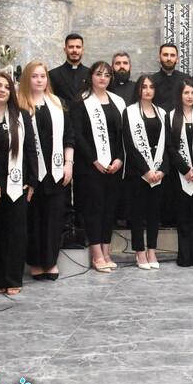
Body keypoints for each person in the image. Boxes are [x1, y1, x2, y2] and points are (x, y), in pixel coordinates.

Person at [18, 61, 74, 282]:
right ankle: (35, 262)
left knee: (53, 218)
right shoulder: (20, 105)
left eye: (42, 76)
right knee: (33, 219)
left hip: (55, 171)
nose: (39, 80)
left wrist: (68, 163)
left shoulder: (58, 103)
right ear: (27, 79)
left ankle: (50, 261)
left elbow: (69, 135)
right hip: (30, 173)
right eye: (34, 76)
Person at [0, 72, 38, 296]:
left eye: (7, 87)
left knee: (15, 233)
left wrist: (32, 181)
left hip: (17, 184)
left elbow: (31, 149)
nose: (2, 90)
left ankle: (13, 278)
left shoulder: (21, 116)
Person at [69, 61, 126, 273]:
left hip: (114, 165)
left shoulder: (118, 101)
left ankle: (107, 251)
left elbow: (123, 135)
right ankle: (97, 254)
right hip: (90, 166)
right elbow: (77, 134)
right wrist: (94, 159)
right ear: (91, 76)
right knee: (94, 209)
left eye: (107, 75)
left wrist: (119, 158)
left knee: (109, 210)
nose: (103, 78)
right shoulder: (81, 101)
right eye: (99, 74)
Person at [122, 75, 169, 270]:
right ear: (138, 90)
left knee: (154, 214)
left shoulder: (162, 113)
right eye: (144, 87)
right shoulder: (130, 112)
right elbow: (130, 145)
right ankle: (139, 251)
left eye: (151, 87)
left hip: (158, 172)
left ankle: (152, 250)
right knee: (138, 213)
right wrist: (146, 170)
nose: (148, 90)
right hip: (138, 172)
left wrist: (162, 170)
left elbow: (168, 145)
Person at [166, 79, 193, 267]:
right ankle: (184, 256)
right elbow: (170, 147)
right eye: (186, 93)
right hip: (180, 175)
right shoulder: (170, 117)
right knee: (183, 216)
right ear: (180, 95)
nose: (190, 96)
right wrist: (185, 169)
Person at [49, 33, 89, 102]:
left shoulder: (90, 74)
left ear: (82, 50)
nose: (74, 50)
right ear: (65, 50)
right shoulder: (53, 74)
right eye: (71, 47)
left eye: (78, 47)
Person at [152, 43, 190, 111]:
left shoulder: (186, 79)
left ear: (177, 59)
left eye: (172, 55)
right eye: (165, 55)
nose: (169, 58)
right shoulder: (151, 80)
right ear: (159, 58)